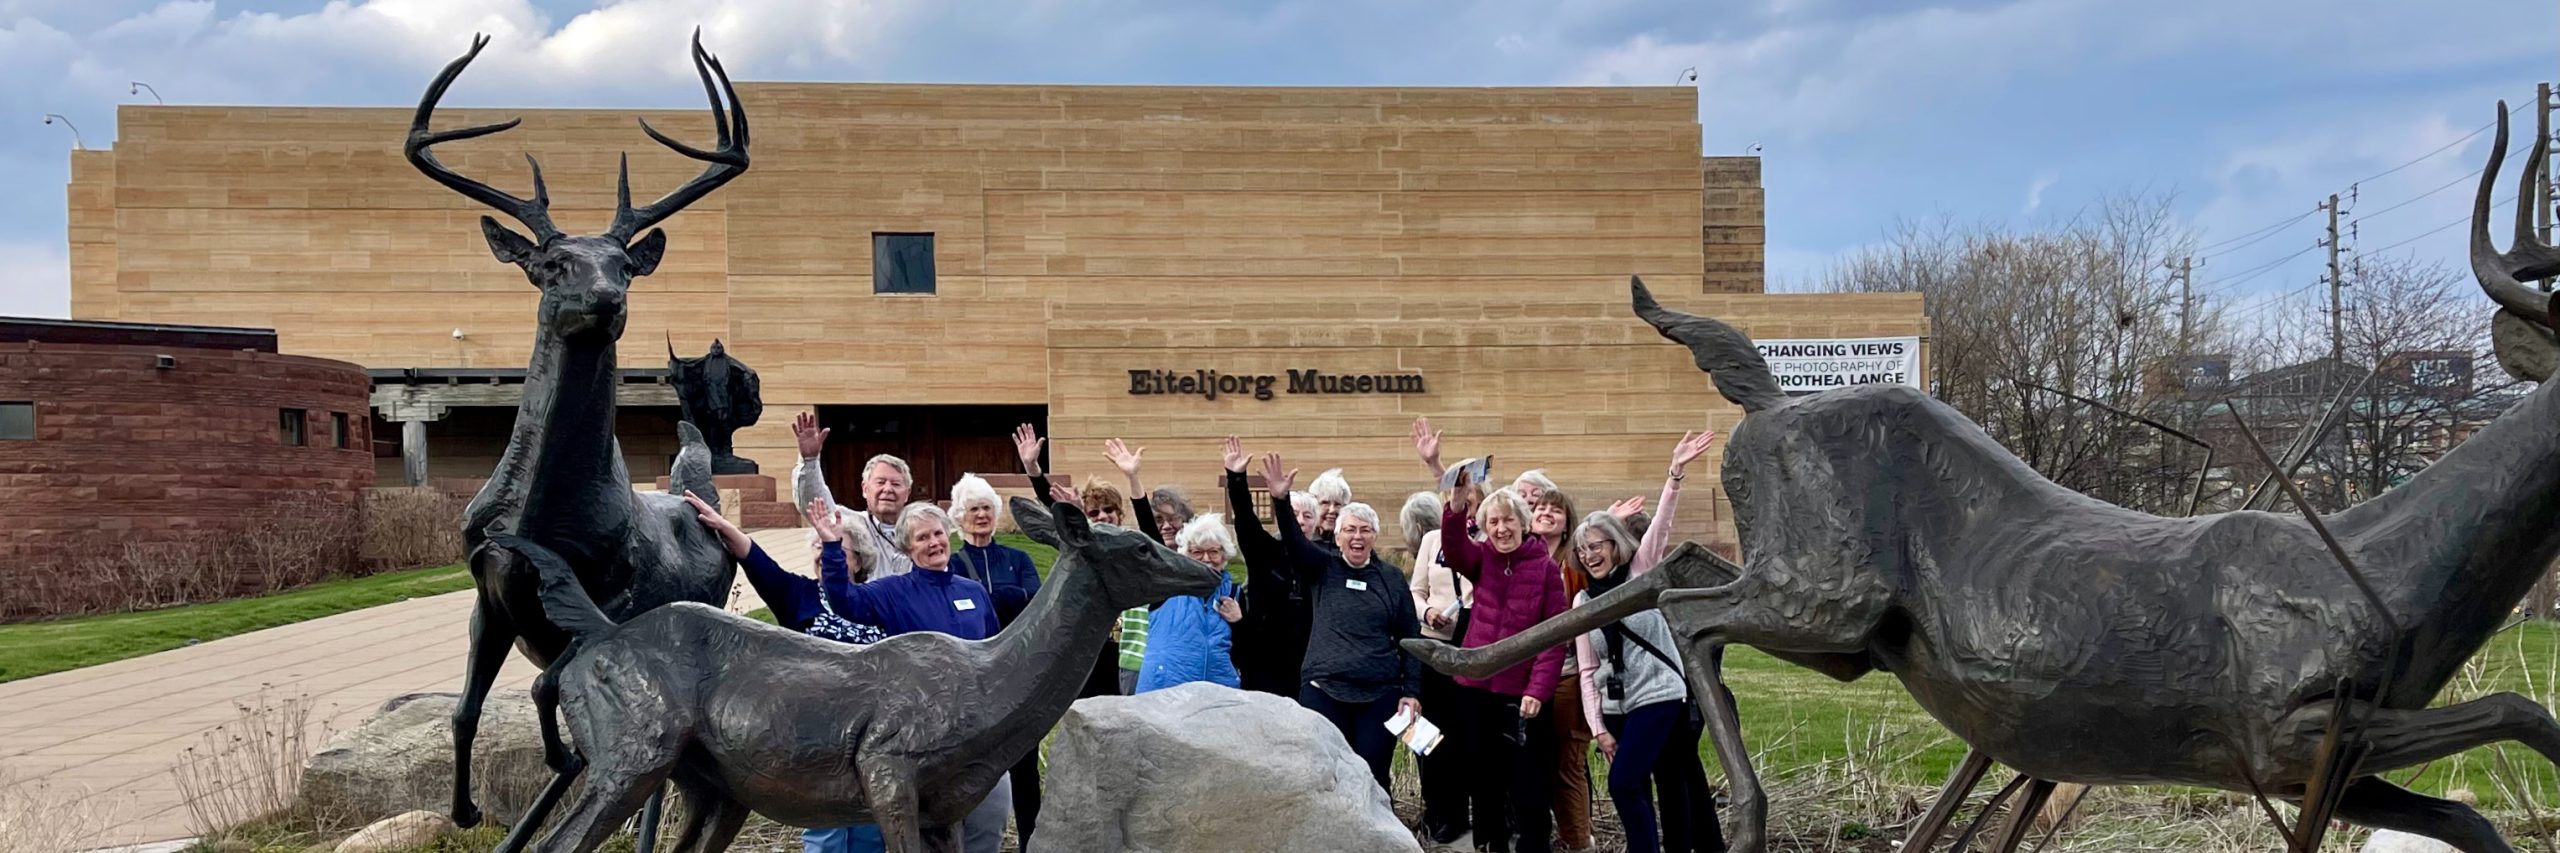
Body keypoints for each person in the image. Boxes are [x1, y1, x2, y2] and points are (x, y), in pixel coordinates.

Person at [689, 494, 892, 853]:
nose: (822, 550)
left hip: (871, 732)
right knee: (825, 828)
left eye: (834, 546)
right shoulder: (798, 593)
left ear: (859, 559)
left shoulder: (879, 599)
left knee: (869, 824)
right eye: (817, 543)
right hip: (816, 733)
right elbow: (756, 559)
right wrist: (722, 525)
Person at [809, 499, 1011, 853]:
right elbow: (844, 601)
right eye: (921, 537)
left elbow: (994, 654)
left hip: (980, 734)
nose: (933, 542)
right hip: (925, 739)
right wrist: (832, 547)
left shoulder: (974, 592)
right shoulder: (893, 592)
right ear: (907, 546)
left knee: (988, 826)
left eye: (937, 533)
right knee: (932, 836)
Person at [1574, 430, 1723, 853]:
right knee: (1666, 780)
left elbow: (1661, 525)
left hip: (1659, 695)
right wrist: (1598, 728)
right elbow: (1587, 671)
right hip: (1617, 705)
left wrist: (1674, 473)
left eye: (1597, 546)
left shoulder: (1641, 573)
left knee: (1622, 781)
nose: (1590, 556)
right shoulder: (1582, 599)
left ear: (1615, 545)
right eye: (1582, 550)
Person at [1262, 451, 1421, 793]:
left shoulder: (1391, 579)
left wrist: (1411, 693)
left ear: (1375, 536)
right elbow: (1292, 540)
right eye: (1350, 530)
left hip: (1378, 695)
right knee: (1323, 773)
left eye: (1365, 530)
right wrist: (1279, 499)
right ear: (1337, 536)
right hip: (1324, 691)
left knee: (1373, 775)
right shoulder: (1322, 567)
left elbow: (1411, 638)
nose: (1357, 537)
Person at [1440, 469, 1570, 853]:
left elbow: (1553, 634)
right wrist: (1457, 503)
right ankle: (1489, 844)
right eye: (1493, 522)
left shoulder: (1544, 567)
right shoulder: (1481, 559)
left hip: (1522, 692)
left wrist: (1538, 690)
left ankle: (1533, 846)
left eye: (1508, 520)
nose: (1501, 529)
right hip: (1476, 687)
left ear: (1523, 522)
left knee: (1528, 781)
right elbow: (1455, 546)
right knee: (1484, 778)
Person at [944, 473, 1046, 844]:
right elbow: (953, 610)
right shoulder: (953, 562)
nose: (981, 515)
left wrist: (988, 596)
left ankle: (1030, 841)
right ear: (959, 516)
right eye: (973, 508)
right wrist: (1008, 595)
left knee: (1024, 764)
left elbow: (1036, 599)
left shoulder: (1017, 558)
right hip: (974, 675)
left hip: (1017, 671)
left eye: (987, 507)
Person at [1404, 490, 1475, 848]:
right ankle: (1437, 812)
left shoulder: (1480, 542)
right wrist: (1427, 612)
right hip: (1431, 648)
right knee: (1425, 737)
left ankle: (1462, 815)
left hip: (1467, 649)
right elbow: (1416, 591)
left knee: (1461, 736)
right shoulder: (1432, 541)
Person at [1222, 436, 1312, 698]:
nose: (1300, 521)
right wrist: (1236, 479)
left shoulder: (1322, 561)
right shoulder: (1266, 551)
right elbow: (1246, 522)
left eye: (1308, 515)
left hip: (1305, 667)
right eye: (1294, 513)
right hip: (1261, 660)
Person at [1531, 487, 1595, 853]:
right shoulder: (1522, 557)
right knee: (1540, 762)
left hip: (1570, 672)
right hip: (1530, 676)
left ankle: (1578, 841)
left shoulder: (1575, 563)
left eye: (1555, 510)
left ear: (1567, 520)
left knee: (1569, 762)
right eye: (1540, 508)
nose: (1546, 513)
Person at [792, 412, 916, 578]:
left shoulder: (919, 530)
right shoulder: (850, 524)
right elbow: (815, 502)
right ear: (865, 489)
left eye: (896, 484)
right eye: (880, 482)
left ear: (907, 493)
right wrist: (809, 461)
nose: (888, 489)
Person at [1136, 513, 1245, 692]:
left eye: (1213, 551)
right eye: (1197, 552)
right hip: (1165, 689)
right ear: (1185, 555)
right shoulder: (1168, 584)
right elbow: (1151, 540)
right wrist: (1134, 485)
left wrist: (1239, 622)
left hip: (1218, 692)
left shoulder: (1234, 593)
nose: (1206, 559)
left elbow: (1248, 651)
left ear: (1224, 556)